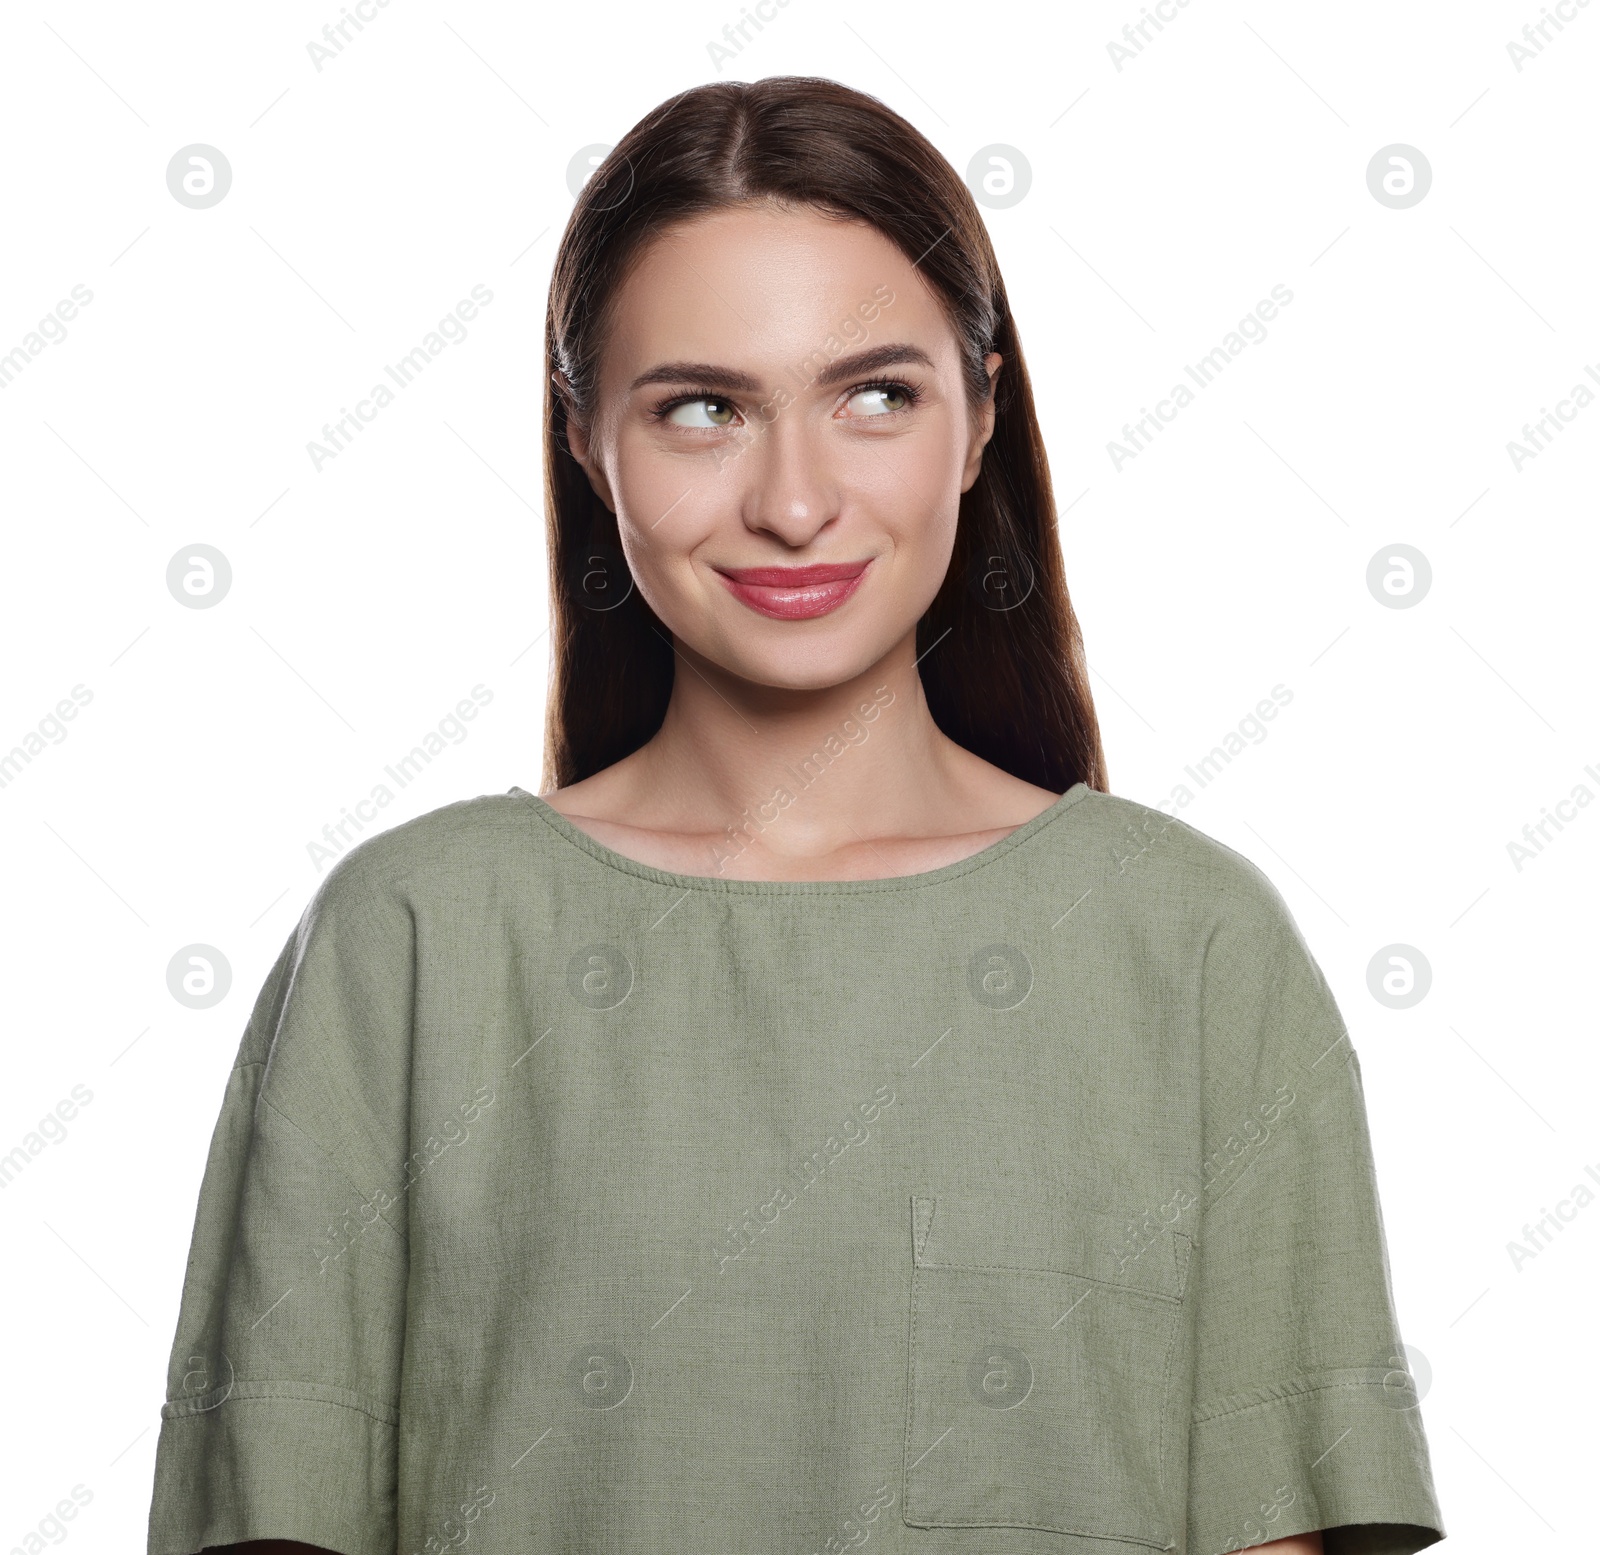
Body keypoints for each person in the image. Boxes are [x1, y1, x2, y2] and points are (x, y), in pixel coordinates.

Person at [149, 77, 1445, 1555]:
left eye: (874, 395)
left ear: (979, 421)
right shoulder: (412, 945)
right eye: (703, 408)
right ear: (588, 443)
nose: (795, 501)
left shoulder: (1195, 952)